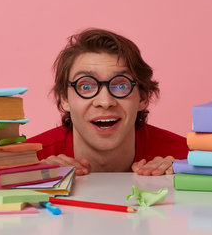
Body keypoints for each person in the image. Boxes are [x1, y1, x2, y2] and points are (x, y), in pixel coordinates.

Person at [26, 28, 189, 176]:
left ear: (143, 97)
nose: (105, 102)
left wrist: (191, 180)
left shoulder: (188, 159)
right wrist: (24, 180)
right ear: (64, 98)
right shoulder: (23, 162)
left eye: (121, 85)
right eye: (86, 86)